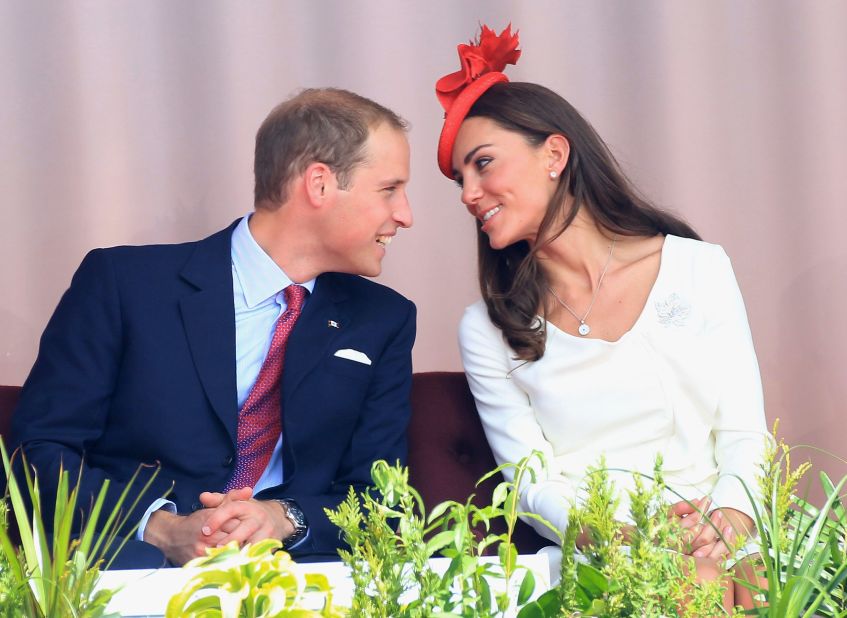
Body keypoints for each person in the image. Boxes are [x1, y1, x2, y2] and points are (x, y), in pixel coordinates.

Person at [434, 25, 769, 608]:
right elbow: (529, 485)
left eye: (483, 164)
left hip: (721, 534)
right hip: (598, 551)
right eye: (461, 179)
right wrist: (625, 535)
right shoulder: (488, 328)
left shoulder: (697, 267)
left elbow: (743, 434)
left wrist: (730, 522)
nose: (468, 193)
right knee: (697, 588)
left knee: (733, 578)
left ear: (555, 155)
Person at [11, 88, 416, 568]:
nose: (405, 215)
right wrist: (159, 527)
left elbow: (383, 501)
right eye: (389, 189)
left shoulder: (384, 319)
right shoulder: (123, 285)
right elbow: (37, 455)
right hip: (134, 571)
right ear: (320, 184)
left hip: (298, 580)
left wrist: (284, 517)